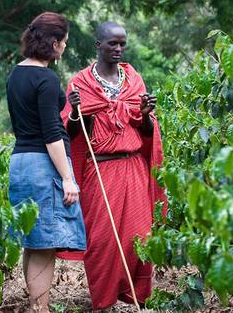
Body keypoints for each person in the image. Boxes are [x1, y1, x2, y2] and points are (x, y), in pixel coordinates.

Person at [56, 21, 167, 310]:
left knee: (139, 236)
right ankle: (103, 302)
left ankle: (134, 298)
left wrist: (144, 115)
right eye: (112, 44)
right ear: (98, 45)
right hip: (99, 170)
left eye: (122, 44)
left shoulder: (134, 81)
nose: (118, 49)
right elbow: (70, 133)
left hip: (133, 169)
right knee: (103, 241)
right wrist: (78, 113)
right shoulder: (81, 83)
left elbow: (145, 132)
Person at [6, 12, 87, 313]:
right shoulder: (46, 78)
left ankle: (35, 306)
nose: (64, 48)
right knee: (45, 244)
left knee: (33, 239)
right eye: (64, 42)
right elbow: (52, 133)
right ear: (54, 43)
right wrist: (67, 177)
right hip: (43, 164)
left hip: (20, 162)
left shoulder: (16, 74)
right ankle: (41, 309)